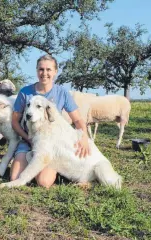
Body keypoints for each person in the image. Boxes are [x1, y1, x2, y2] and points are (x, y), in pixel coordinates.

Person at [11, 54, 90, 189]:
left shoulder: (62, 93)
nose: (44, 73)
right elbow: (15, 122)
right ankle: (32, 164)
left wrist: (85, 138)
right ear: (37, 71)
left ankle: (56, 169)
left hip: (51, 144)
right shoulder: (25, 92)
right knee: (14, 178)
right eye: (41, 69)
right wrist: (28, 139)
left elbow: (77, 120)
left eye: (48, 70)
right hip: (29, 140)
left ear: (55, 72)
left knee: (44, 182)